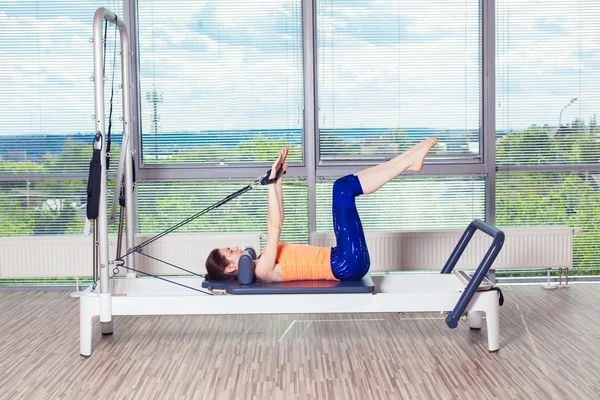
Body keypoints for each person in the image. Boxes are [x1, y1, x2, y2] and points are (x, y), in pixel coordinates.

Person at [205, 137, 439, 282]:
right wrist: (269, 186)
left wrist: (276, 181)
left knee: (344, 187)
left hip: (343, 259)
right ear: (231, 266)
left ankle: (407, 160)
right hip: (347, 263)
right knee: (343, 189)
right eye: (230, 251)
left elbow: (278, 217)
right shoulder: (263, 271)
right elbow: (275, 226)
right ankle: (407, 161)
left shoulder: (262, 260)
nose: (235, 247)